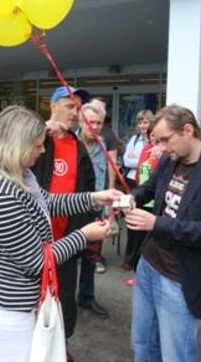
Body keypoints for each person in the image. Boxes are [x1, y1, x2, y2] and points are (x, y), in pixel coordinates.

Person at [0, 105, 115, 362]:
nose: (44, 150)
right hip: (3, 308)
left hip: (13, 301)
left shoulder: (19, 175)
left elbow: (49, 202)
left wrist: (94, 198)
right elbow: (35, 261)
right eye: (37, 145)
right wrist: (83, 236)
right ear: (16, 146)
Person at [123, 104, 201, 361]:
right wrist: (130, 198)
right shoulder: (170, 159)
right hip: (148, 266)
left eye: (166, 140)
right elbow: (149, 187)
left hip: (180, 277)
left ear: (188, 130)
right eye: (157, 141)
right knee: (142, 344)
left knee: (175, 354)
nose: (162, 148)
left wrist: (155, 224)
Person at [31, 86, 96, 358]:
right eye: (70, 106)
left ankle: (60, 346)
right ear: (53, 106)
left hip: (68, 239)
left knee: (63, 299)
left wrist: (89, 223)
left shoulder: (78, 145)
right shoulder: (36, 140)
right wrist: (38, 133)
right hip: (35, 239)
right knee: (32, 299)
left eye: (78, 107)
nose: (75, 112)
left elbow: (87, 186)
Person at [77, 101, 111, 319]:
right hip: (70, 209)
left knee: (91, 258)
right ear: (81, 121)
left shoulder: (102, 146)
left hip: (94, 209)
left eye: (99, 123)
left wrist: (106, 209)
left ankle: (86, 297)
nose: (95, 126)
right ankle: (59, 300)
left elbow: (104, 178)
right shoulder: (68, 142)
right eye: (91, 122)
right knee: (66, 258)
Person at [121, 110, 153, 272]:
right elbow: (127, 160)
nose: (143, 126)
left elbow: (152, 162)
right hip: (134, 182)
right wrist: (141, 159)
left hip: (150, 184)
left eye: (146, 122)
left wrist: (139, 159)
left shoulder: (155, 141)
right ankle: (130, 258)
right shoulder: (134, 140)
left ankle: (143, 259)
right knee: (132, 222)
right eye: (140, 122)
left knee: (146, 224)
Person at [90, 97, 120, 274]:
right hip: (79, 195)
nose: (94, 125)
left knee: (99, 226)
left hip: (99, 192)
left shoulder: (108, 135)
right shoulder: (77, 135)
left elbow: (112, 164)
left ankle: (96, 257)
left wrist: (110, 188)